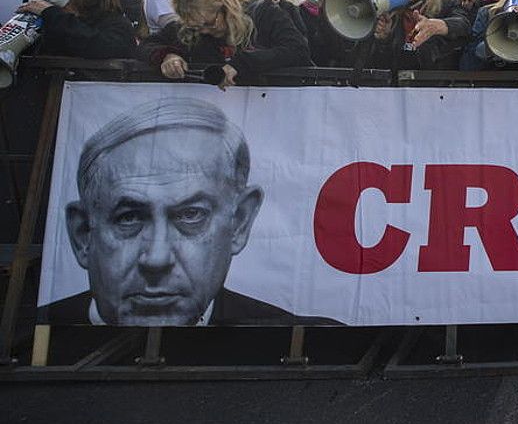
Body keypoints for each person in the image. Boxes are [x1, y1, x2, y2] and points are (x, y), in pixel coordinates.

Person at [39, 98, 327, 326]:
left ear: (239, 223)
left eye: (191, 215)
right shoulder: (29, 333)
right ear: (82, 236)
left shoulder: (303, 340)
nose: (156, 258)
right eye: (129, 218)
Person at [141, 0, 310, 89]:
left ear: (225, 6)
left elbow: (297, 49)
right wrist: (167, 55)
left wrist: (243, 63)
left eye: (209, 23)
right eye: (196, 27)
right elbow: (147, 45)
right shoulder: (190, 27)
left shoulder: (263, 12)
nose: (205, 31)